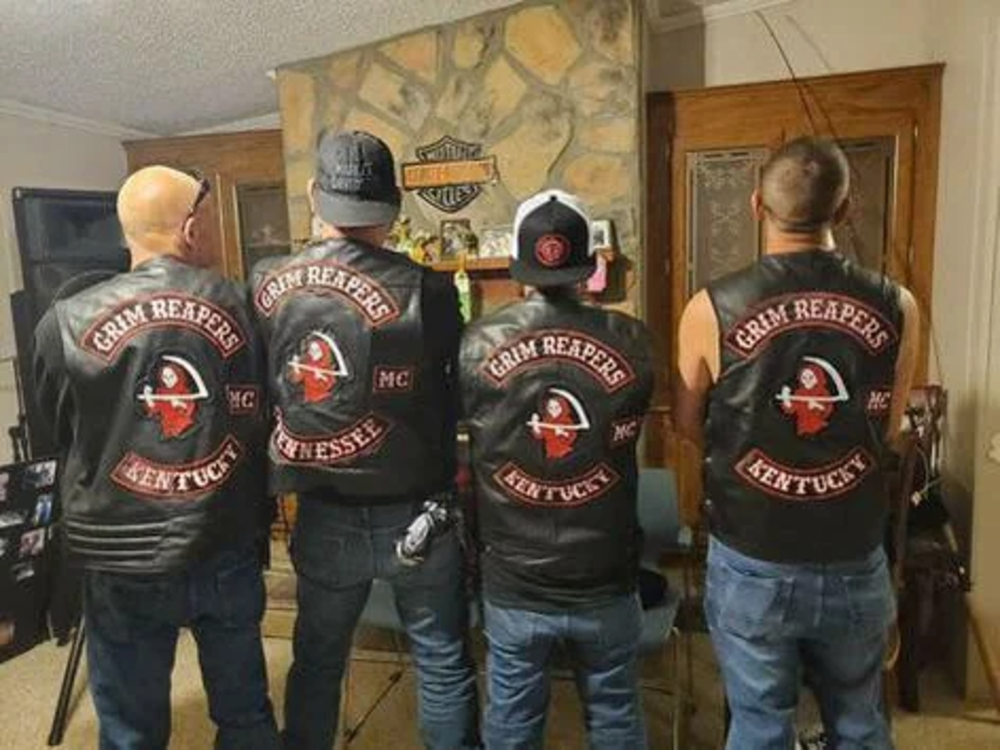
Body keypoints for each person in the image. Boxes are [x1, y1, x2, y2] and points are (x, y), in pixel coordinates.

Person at [674, 136, 920, 749]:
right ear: (843, 211)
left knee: (759, 726)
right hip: (854, 550)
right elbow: (887, 430)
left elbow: (685, 423)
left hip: (752, 553)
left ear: (757, 205)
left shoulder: (710, 307)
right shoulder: (899, 305)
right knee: (861, 725)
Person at [33, 166, 280, 750]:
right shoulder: (248, 307)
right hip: (223, 538)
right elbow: (266, 410)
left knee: (129, 730)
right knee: (246, 713)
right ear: (191, 228)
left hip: (121, 554)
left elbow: (58, 427)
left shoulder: (63, 322)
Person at [249, 129, 478, 750]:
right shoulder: (429, 290)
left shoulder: (267, 283)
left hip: (322, 510)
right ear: (391, 209)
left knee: (319, 659)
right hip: (418, 515)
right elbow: (455, 393)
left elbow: (260, 389)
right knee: (441, 661)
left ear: (314, 195)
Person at [459, 190, 655, 749]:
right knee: (616, 715)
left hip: (516, 580)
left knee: (513, 722)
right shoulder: (634, 341)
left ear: (520, 270)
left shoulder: (477, 343)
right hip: (605, 574)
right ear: (590, 269)